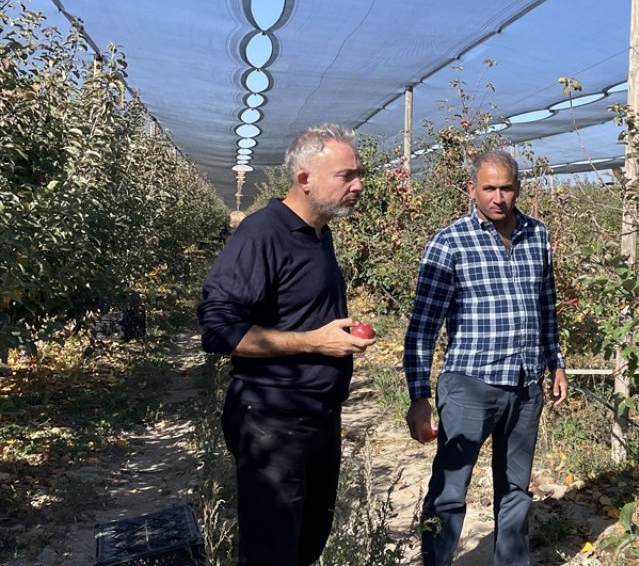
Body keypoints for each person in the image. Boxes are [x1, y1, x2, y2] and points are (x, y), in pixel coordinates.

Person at [197, 123, 374, 566]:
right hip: (272, 422)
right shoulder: (262, 234)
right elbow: (221, 331)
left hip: (319, 414)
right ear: (305, 179)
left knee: (308, 541)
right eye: (346, 175)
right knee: (271, 551)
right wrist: (315, 343)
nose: (359, 185)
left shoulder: (320, 232)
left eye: (359, 174)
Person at [404, 149, 569, 566]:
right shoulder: (449, 242)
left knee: (516, 488)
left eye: (507, 188)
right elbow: (423, 325)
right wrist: (418, 394)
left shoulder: (538, 235)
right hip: (469, 385)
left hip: (526, 382)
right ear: (472, 189)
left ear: (518, 189)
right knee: (451, 490)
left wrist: (556, 362)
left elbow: (546, 305)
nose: (498, 197)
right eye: (489, 187)